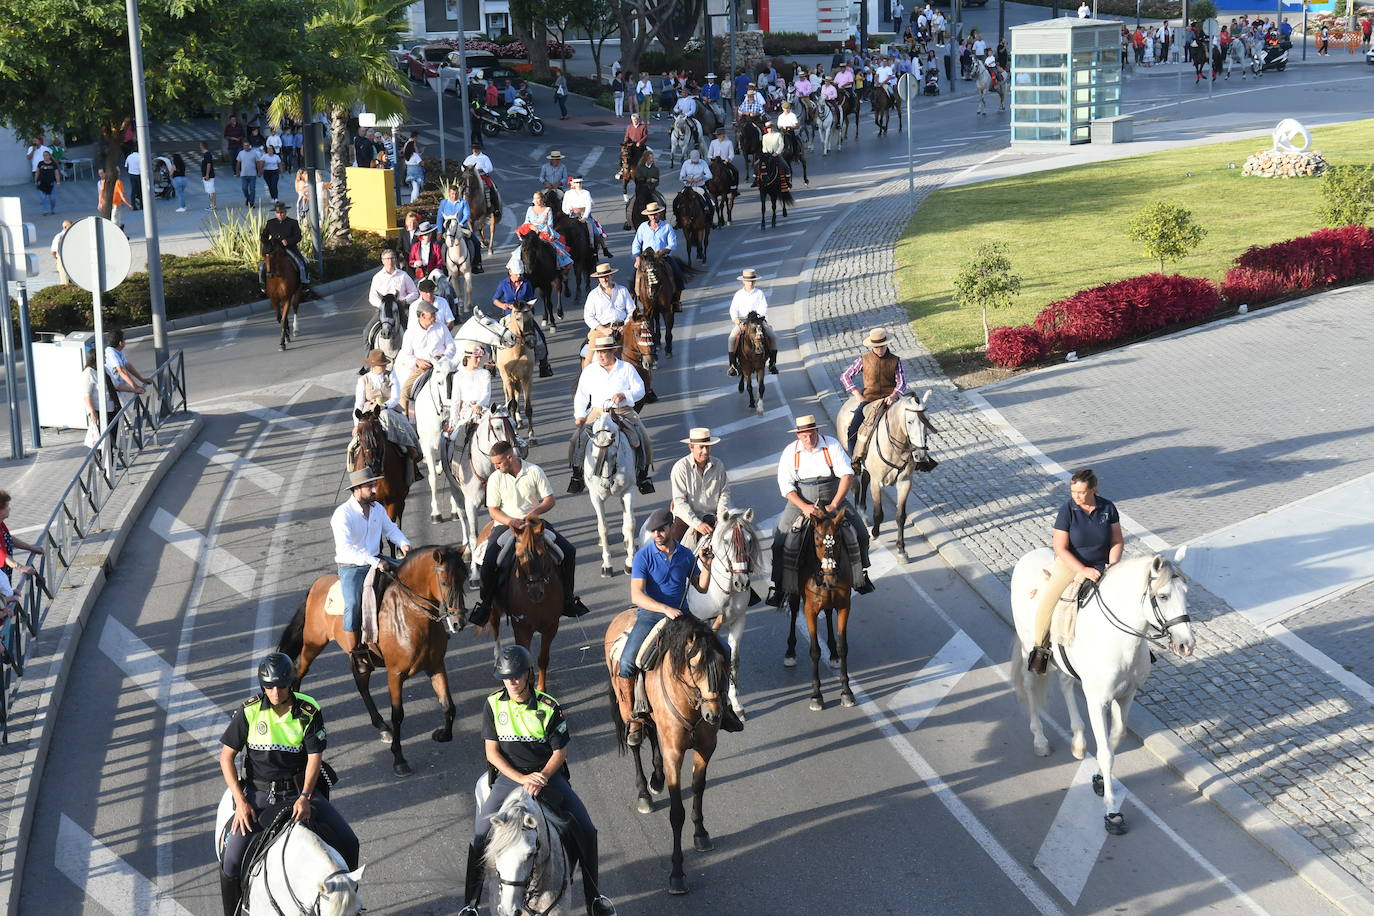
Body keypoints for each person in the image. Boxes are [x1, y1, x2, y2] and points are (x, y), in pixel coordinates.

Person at [458, 645, 615, 916]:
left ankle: (594, 899)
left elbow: (560, 752)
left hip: (547, 777)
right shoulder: (493, 704)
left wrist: (540, 777)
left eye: (517, 676)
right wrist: (521, 778)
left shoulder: (548, 706)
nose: (512, 682)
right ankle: (470, 904)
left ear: (529, 674)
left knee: (587, 830)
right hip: (509, 778)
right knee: (481, 835)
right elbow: (492, 753)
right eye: (507, 678)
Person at [218, 652, 360, 916]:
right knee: (232, 860)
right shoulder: (248, 712)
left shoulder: (309, 710)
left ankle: (347, 903)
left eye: (280, 685)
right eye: (268, 686)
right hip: (259, 795)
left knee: (350, 842)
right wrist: (240, 802)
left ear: (290, 684)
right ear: (262, 686)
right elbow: (226, 757)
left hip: (298, 793)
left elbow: (315, 758)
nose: (274, 692)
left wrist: (305, 796)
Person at [614, 507, 741, 745]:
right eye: (653, 531)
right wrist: (664, 609)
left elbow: (701, 586)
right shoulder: (644, 556)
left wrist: (706, 565)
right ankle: (633, 718)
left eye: (661, 529)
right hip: (651, 615)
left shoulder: (685, 554)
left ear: (671, 527)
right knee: (628, 661)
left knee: (723, 649)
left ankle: (724, 707)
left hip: (683, 615)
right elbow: (636, 596)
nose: (657, 534)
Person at [470, 441, 587, 626]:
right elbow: (492, 510)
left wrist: (534, 513)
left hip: (534, 523)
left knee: (568, 551)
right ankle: (485, 605)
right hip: (505, 526)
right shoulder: (495, 478)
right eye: (494, 464)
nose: (495, 467)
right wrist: (510, 521)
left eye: (498, 463)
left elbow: (549, 500)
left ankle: (568, 599)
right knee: (489, 562)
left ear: (510, 457)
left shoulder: (534, 471)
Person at [766, 415, 875, 607]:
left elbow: (847, 475)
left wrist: (834, 505)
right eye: (805, 436)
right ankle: (779, 587)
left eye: (812, 434)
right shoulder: (790, 452)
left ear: (817, 431)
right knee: (780, 541)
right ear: (798, 435)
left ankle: (860, 576)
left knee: (861, 534)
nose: (809, 439)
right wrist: (805, 507)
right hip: (801, 501)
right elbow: (786, 487)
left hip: (833, 498)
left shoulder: (831, 445)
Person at [1027, 468, 1124, 674]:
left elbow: (1116, 540)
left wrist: (1113, 563)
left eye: (1081, 492)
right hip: (1071, 563)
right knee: (1047, 602)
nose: (1076, 497)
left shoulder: (1108, 508)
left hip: (1103, 563)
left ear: (1093, 490)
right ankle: (1039, 650)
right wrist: (1083, 570)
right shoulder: (1067, 510)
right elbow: (1060, 548)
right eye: (1073, 492)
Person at [569, 337, 654, 494]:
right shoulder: (590, 371)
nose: (601, 356)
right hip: (597, 411)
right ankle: (577, 476)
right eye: (598, 352)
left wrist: (625, 395)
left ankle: (643, 476)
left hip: (623, 411)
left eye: (604, 352)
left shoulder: (626, 368)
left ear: (613, 351)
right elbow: (581, 395)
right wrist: (580, 415)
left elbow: (640, 389)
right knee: (576, 439)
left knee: (645, 439)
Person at [839, 327, 906, 460]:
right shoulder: (863, 360)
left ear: (886, 344)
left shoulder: (895, 360)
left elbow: (902, 383)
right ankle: (854, 461)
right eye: (876, 347)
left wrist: (894, 395)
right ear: (872, 347)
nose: (880, 350)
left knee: (911, 422)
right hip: (870, 399)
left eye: (882, 346)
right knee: (852, 430)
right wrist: (857, 394)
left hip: (891, 399)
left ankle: (918, 458)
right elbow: (845, 376)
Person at [354, 349, 422, 467]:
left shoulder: (391, 374)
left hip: (389, 408)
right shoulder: (363, 380)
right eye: (382, 365)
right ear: (373, 366)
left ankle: (410, 446)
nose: (385, 366)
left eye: (385, 364)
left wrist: (384, 406)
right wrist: (356, 424)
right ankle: (354, 465)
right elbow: (359, 404)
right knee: (354, 444)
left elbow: (395, 397)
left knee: (402, 423)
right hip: (369, 411)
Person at [668, 428, 731, 548]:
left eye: (708, 447)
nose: (705, 451)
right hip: (686, 519)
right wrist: (697, 524)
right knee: (672, 553)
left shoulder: (719, 465)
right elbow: (679, 501)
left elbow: (725, 493)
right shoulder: (680, 468)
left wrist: (721, 517)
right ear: (691, 447)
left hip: (713, 518)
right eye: (701, 447)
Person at [490, 262, 554, 377]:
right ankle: (492, 363)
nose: (519, 276)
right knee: (494, 337)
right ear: (510, 272)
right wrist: (503, 305)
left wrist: (528, 306)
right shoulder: (503, 284)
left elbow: (530, 298)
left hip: (524, 315)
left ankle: (544, 364)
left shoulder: (526, 284)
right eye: (516, 274)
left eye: (520, 274)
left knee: (540, 336)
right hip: (508, 315)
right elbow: (495, 299)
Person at [397, 301, 456, 412]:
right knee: (404, 392)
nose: (435, 317)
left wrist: (443, 357)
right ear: (423, 315)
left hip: (443, 366)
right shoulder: (410, 332)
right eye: (432, 314)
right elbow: (405, 354)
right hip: (423, 368)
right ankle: (405, 423)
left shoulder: (441, 327)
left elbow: (451, 346)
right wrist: (417, 361)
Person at [725, 269, 778, 376]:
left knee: (773, 336)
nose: (750, 283)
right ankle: (733, 365)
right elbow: (733, 309)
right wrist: (736, 319)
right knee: (731, 338)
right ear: (743, 281)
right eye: (748, 281)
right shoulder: (738, 294)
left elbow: (764, 307)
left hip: (757, 321)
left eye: (753, 281)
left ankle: (772, 363)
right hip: (743, 321)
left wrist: (759, 318)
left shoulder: (759, 293)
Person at [630, 201, 686, 294]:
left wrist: (663, 251)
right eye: (651, 215)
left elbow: (673, 244)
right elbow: (636, 243)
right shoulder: (642, 227)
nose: (653, 217)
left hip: (662, 257)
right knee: (633, 279)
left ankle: (676, 300)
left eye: (655, 214)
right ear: (648, 215)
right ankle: (633, 300)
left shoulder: (667, 227)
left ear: (659, 213)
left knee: (678, 274)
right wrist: (637, 257)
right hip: (646, 258)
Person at [259, 202, 310, 295]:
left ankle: (304, 285)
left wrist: (288, 241)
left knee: (301, 264)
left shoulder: (293, 222)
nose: (280, 215)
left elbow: (298, 236)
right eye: (278, 213)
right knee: (262, 266)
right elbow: (264, 236)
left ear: (285, 212)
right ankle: (263, 288)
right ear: (275, 213)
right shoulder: (270, 223)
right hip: (274, 249)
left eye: (282, 212)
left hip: (289, 248)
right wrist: (269, 244)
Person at [0, 490, 44, 598]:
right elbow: (2, 555)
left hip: (4, 574)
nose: (9, 508)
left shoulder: (1, 524)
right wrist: (20, 567)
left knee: (7, 600)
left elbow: (9, 539)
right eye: (7, 506)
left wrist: (30, 547)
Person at [582, 263, 632, 349]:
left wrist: (625, 326)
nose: (604, 280)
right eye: (601, 277)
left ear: (611, 275)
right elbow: (588, 316)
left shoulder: (623, 290)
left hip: (623, 328)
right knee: (590, 355)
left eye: (607, 276)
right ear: (598, 278)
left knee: (641, 349)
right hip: (601, 330)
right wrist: (603, 329)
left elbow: (632, 311)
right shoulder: (593, 294)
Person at [561, 175, 612, 259]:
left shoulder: (586, 192)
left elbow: (588, 206)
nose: (579, 184)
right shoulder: (568, 193)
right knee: (563, 232)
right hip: (572, 215)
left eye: (580, 182)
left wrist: (584, 217)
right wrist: (569, 212)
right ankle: (564, 252)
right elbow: (564, 207)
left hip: (584, 215)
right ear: (573, 183)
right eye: (577, 183)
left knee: (595, 232)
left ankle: (594, 250)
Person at [437, 183, 484, 273]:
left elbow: (467, 215)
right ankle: (442, 265)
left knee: (476, 243)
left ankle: (476, 264)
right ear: (449, 194)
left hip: (461, 227)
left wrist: (461, 224)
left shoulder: (463, 202)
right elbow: (439, 217)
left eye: (455, 194)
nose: (454, 196)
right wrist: (439, 231)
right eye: (452, 194)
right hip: (448, 229)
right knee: (439, 245)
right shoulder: (443, 203)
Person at [104, 328, 150, 407]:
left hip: (120, 388)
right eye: (124, 340)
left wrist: (141, 379)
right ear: (120, 343)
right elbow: (121, 371)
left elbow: (128, 366)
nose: (126, 341)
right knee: (124, 414)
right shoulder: (112, 353)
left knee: (125, 413)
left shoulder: (118, 352)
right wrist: (135, 387)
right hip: (114, 390)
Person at [369, 250, 419, 319]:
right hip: (384, 310)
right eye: (387, 259)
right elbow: (372, 297)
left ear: (395, 260)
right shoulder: (377, 277)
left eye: (392, 258)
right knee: (368, 329)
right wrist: (382, 305)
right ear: (382, 261)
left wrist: (404, 301)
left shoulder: (403, 275)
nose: (390, 261)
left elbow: (415, 292)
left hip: (402, 309)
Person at [235, 139, 261, 208]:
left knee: (252, 189)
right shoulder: (241, 153)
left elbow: (257, 163)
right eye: (244, 145)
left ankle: (251, 203)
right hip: (243, 174)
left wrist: (259, 171)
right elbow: (238, 163)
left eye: (247, 145)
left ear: (249, 146)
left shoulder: (254, 153)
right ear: (243, 146)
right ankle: (248, 198)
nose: (246, 147)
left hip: (252, 174)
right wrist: (237, 172)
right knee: (244, 188)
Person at [34, 150, 60, 216]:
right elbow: (37, 172)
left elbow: (56, 173)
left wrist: (58, 182)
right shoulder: (40, 163)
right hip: (42, 183)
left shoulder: (53, 164)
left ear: (49, 156)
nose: (45, 156)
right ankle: (45, 210)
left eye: (46, 155)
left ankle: (52, 209)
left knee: (52, 198)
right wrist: (36, 181)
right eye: (44, 155)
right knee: (43, 198)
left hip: (51, 183)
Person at [51, 219, 73, 284]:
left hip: (71, 260)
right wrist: (58, 259)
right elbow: (53, 251)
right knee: (65, 281)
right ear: (65, 227)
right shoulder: (59, 237)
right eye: (71, 226)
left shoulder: (72, 235)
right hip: (62, 260)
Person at [123, 143, 144, 210]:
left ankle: (133, 205)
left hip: (132, 175)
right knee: (140, 190)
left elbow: (126, 166)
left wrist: (129, 171)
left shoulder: (129, 156)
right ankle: (142, 205)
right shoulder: (140, 156)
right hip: (139, 175)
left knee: (133, 190)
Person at [200, 141, 218, 211]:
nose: (200, 147)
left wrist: (207, 175)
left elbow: (209, 164)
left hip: (209, 176)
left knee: (211, 191)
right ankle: (212, 205)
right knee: (209, 191)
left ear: (202, 146)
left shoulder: (207, 154)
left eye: (200, 146)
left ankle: (213, 206)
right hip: (207, 176)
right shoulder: (206, 154)